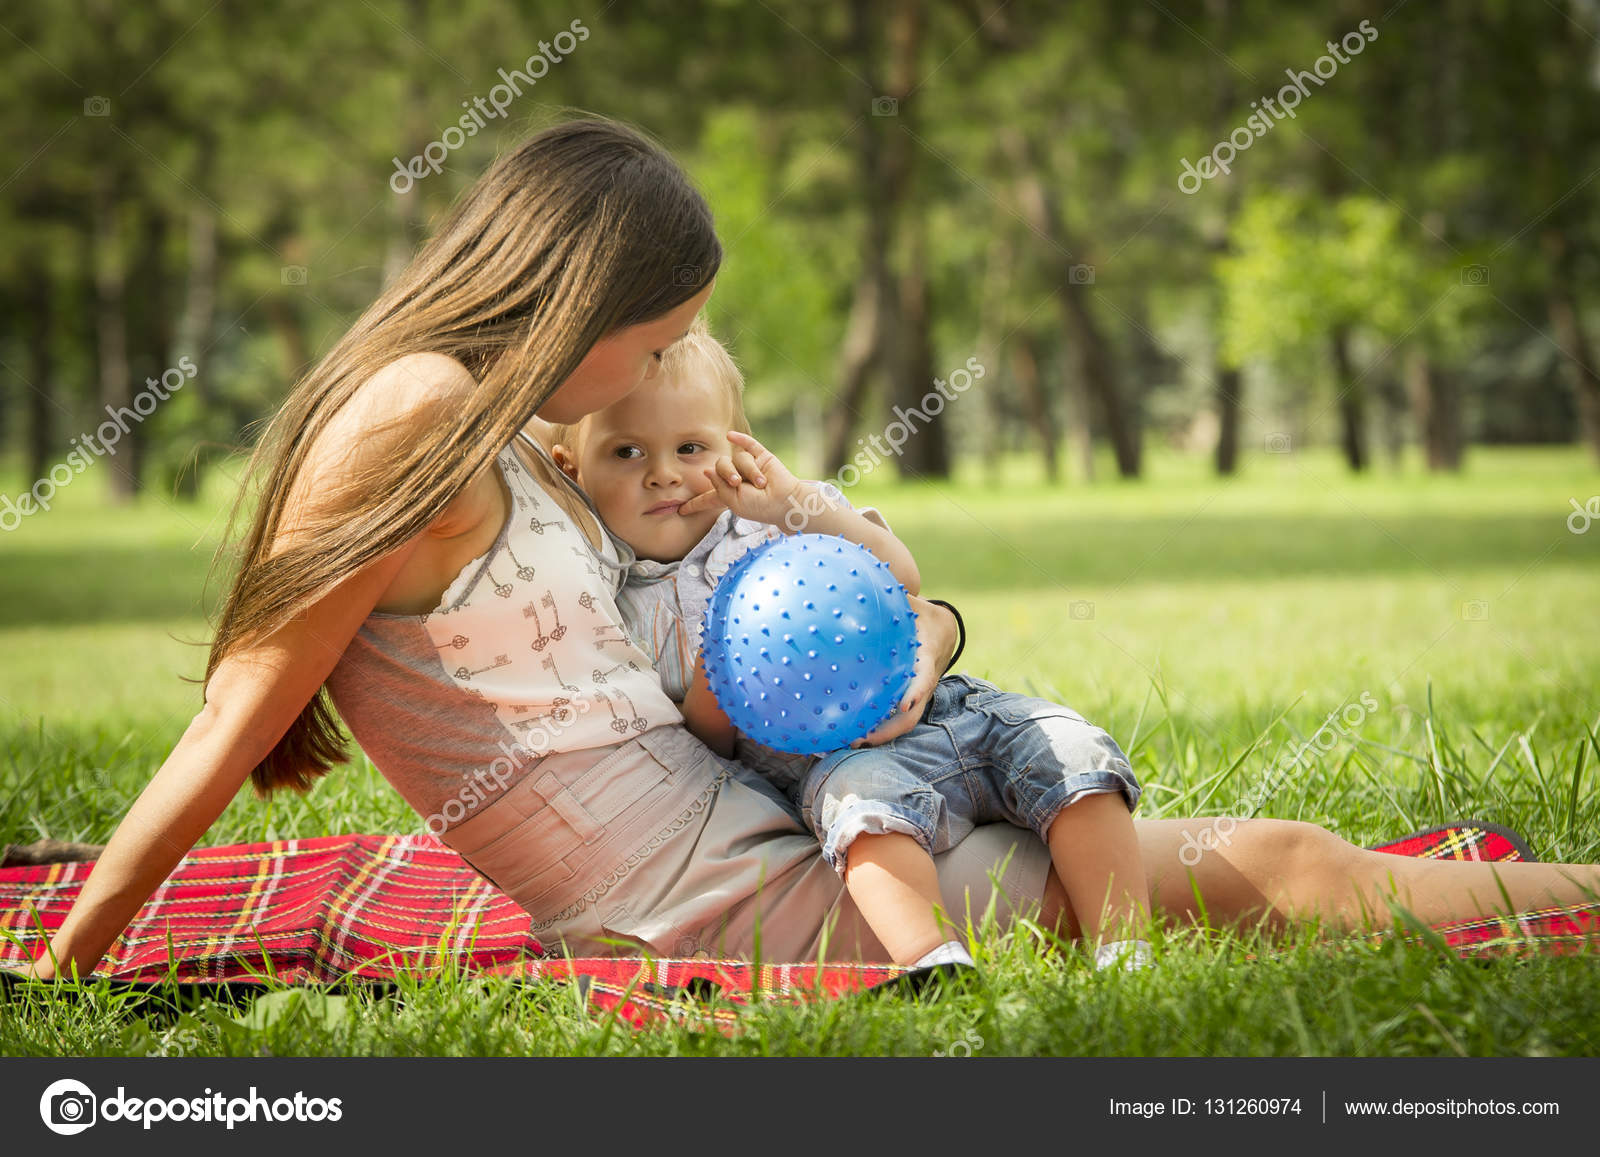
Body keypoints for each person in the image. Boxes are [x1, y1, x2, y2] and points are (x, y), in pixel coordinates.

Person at [22, 116, 1600, 985]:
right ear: (583, 302)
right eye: (667, 331)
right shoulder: (418, 417)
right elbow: (235, 720)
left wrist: (929, 630)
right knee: (1282, 868)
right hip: (713, 893)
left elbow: (743, 615)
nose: (668, 366)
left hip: (760, 812)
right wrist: (71, 969)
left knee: (1240, 849)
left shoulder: (507, 439)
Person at [544, 321, 1153, 974]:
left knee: (1063, 745)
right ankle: (931, 961)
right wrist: (720, 669)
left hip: (948, 706)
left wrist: (792, 501)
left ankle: (1125, 949)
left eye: (690, 447)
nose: (664, 475)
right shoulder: (621, 606)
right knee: (866, 820)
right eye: (627, 453)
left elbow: (903, 575)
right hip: (823, 757)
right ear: (571, 467)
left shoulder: (771, 517)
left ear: (737, 447)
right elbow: (706, 748)